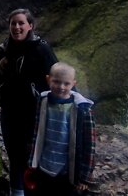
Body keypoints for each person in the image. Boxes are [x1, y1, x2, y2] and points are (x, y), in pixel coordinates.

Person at [0, 8, 59, 196]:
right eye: (13, 23)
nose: (17, 27)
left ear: (30, 26)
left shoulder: (41, 48)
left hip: (34, 113)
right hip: (10, 111)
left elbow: (57, 76)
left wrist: (75, 103)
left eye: (21, 23)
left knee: (32, 158)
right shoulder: (4, 50)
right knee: (15, 156)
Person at [26, 62, 95, 195]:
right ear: (48, 79)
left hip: (67, 172)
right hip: (43, 167)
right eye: (56, 82)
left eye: (66, 84)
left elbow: (90, 145)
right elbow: (36, 133)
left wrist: (85, 178)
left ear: (73, 84)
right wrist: (31, 163)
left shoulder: (83, 109)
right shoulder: (42, 101)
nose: (61, 87)